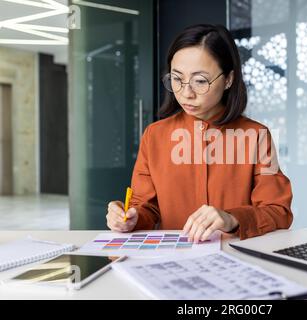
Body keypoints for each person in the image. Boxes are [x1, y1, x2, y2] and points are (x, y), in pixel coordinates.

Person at [106, 24, 293, 241]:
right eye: (176, 78)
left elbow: (279, 212)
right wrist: (130, 218)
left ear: (229, 79)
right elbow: (146, 208)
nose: (186, 93)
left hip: (235, 262)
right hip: (170, 262)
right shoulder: (154, 136)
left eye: (200, 81)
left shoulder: (257, 136)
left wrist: (232, 218)